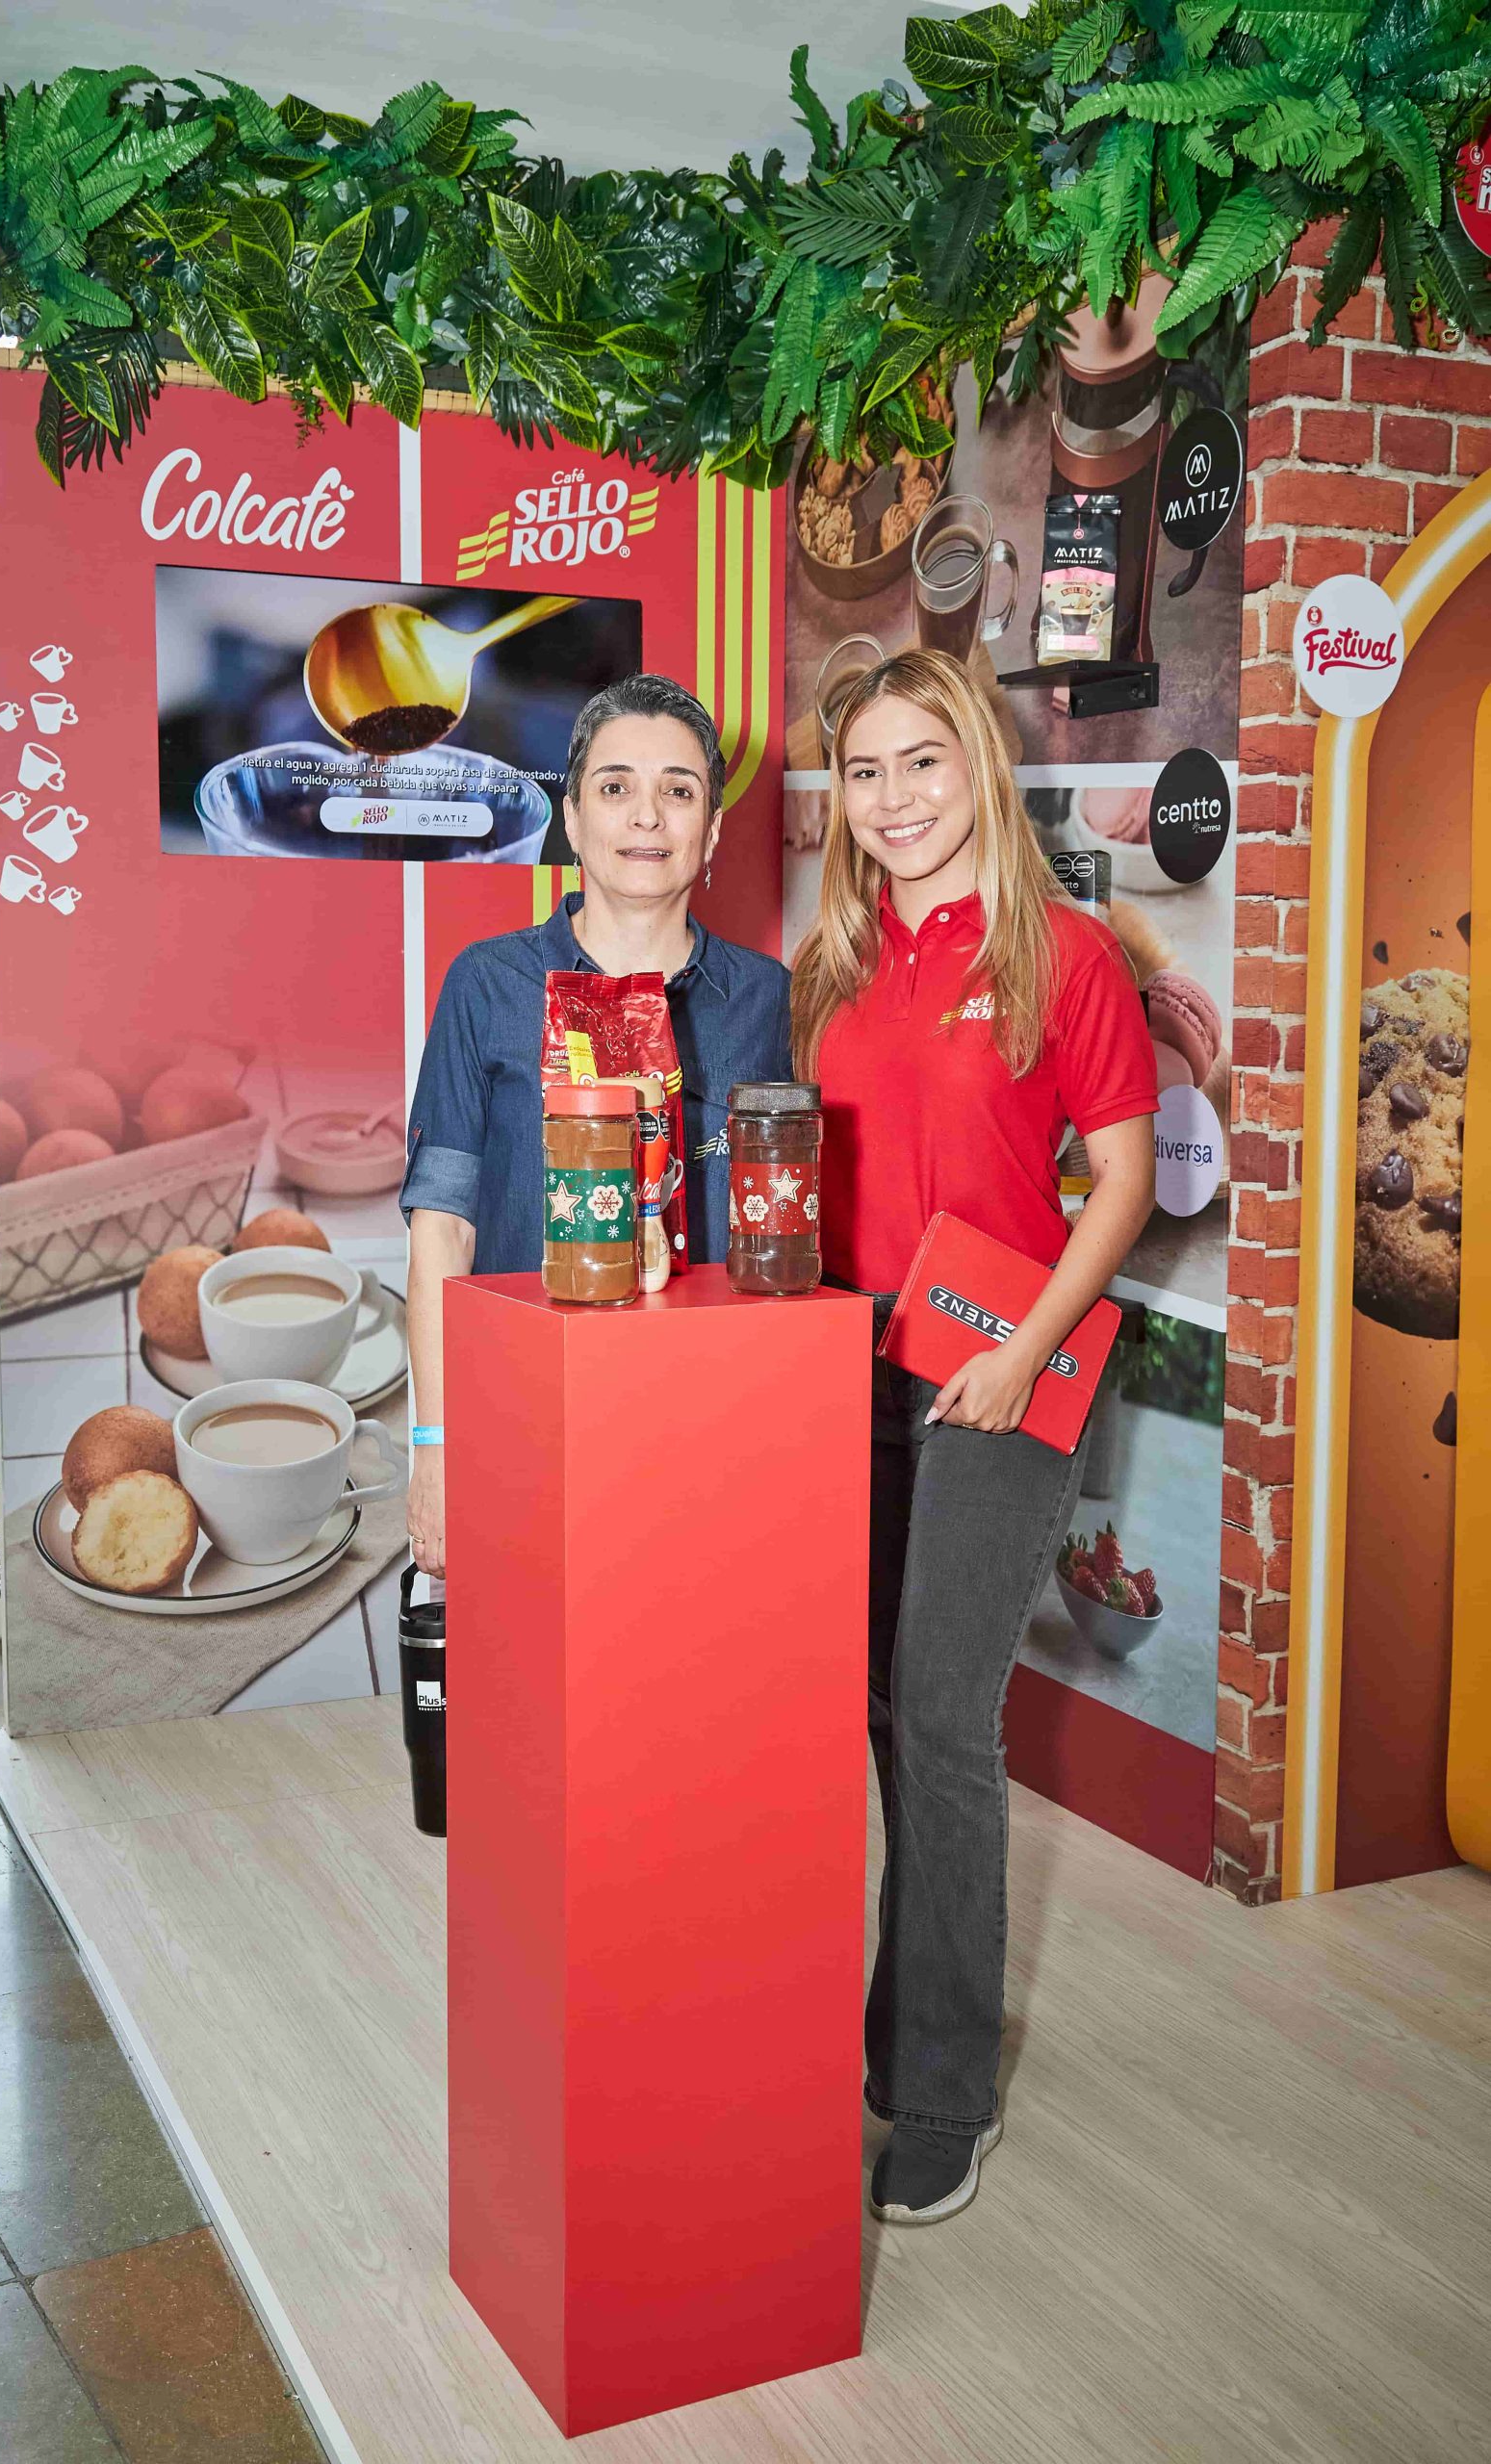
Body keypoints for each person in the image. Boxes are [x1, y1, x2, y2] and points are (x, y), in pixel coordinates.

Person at [793, 649, 1157, 2226]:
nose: (893, 799)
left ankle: (942, 2091)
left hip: (1000, 1376)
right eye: (864, 772)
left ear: (977, 770)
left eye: (920, 763)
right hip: (844, 1369)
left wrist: (1019, 1352)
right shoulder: (829, 963)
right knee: (875, 1715)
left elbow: (1122, 1180)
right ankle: (892, 2031)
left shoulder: (1061, 952)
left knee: (941, 1721)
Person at [401, 673, 791, 1577]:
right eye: (615, 787)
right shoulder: (487, 983)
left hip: (709, 1417)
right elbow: (441, 1227)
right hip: (520, 1404)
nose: (646, 816)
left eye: (678, 791)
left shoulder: (765, 998)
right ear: (572, 820)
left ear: (712, 830)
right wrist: (435, 1446)